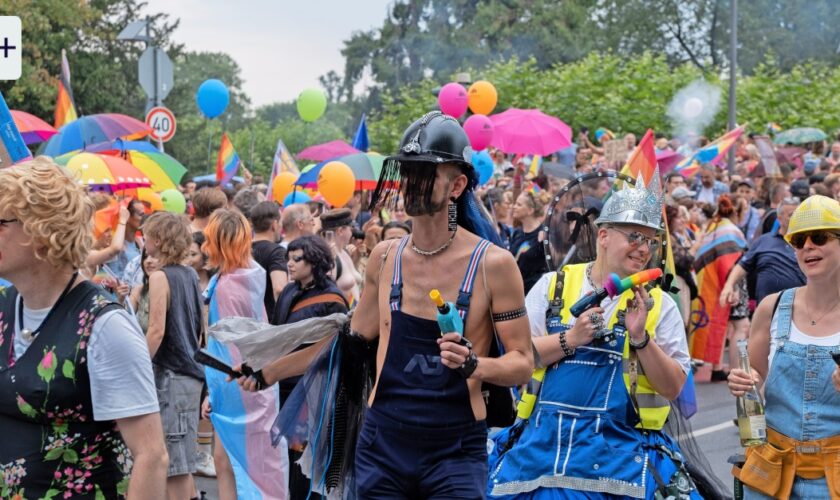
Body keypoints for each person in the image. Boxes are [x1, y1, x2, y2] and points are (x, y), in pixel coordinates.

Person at [238, 112, 534, 498]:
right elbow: (348, 343)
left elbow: (522, 362)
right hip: (383, 447)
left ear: (457, 185)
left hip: (455, 452)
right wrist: (268, 370)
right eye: (407, 171)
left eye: (424, 172)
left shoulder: (493, 265)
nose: (409, 182)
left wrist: (475, 365)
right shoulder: (384, 257)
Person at [488, 169, 699, 498]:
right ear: (603, 236)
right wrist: (569, 339)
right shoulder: (553, 286)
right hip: (542, 453)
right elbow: (517, 360)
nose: (643, 248)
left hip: (625, 458)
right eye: (634, 236)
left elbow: (673, 387)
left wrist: (641, 339)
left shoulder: (660, 304)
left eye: (650, 240)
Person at [0, 157, 168, 498]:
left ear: (42, 233)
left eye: (1, 222)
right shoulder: (4, 307)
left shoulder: (105, 326)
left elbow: (152, 456)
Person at [729, 195, 840, 499]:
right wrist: (742, 380)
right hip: (771, 476)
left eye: (819, 237)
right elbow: (754, 375)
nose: (807, 247)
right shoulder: (773, 307)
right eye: (799, 240)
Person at [201, 209, 287, 500]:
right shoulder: (252, 274)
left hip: (235, 387)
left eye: (209, 240)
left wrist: (213, 393)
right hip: (252, 383)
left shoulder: (227, 286)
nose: (204, 247)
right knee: (250, 465)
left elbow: (229, 348)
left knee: (231, 463)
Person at [271, 234, 349, 499]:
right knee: (290, 458)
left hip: (317, 387)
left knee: (310, 457)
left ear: (314, 260)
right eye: (288, 258)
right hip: (285, 383)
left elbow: (337, 348)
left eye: (297, 259)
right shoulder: (289, 291)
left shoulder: (332, 298)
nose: (289, 264)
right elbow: (276, 334)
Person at [141, 211, 206, 500]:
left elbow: (156, 330)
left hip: (170, 374)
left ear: (157, 239)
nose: (143, 241)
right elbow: (200, 327)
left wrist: (137, 368)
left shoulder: (159, 277)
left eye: (146, 235)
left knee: (174, 465)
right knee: (181, 461)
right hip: (190, 374)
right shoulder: (190, 274)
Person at [690, 195, 749, 376]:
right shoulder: (731, 231)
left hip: (714, 284)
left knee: (724, 325)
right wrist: (733, 288)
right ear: (737, 211)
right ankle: (736, 370)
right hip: (729, 284)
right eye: (744, 209)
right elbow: (731, 263)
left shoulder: (714, 226)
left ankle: (718, 367)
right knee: (741, 327)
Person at [720, 197, 806, 306]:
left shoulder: (808, 242)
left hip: (799, 309)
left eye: (799, 215)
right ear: (779, 219)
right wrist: (729, 286)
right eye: (791, 215)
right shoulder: (764, 241)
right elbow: (742, 265)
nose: (796, 219)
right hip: (766, 311)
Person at [250, 201, 288, 314]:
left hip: (246, 317)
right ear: (275, 225)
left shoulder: (243, 249)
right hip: (270, 321)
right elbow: (279, 288)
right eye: (280, 223)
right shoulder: (277, 251)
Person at [510, 189, 550, 294]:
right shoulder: (517, 232)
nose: (514, 207)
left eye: (519, 205)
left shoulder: (543, 235)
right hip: (513, 289)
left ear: (530, 210)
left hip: (532, 292)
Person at [320, 208, 363, 306]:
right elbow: (324, 291)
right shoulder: (329, 256)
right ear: (340, 231)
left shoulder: (344, 252)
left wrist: (356, 259)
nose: (352, 233)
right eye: (350, 229)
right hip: (340, 317)